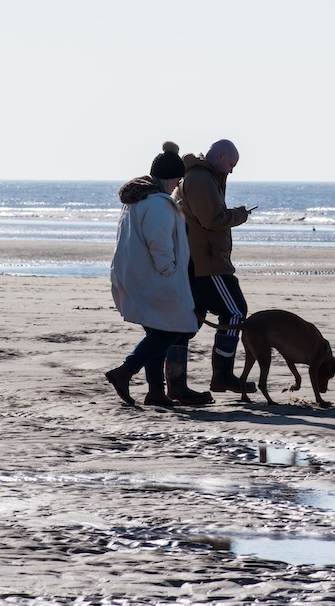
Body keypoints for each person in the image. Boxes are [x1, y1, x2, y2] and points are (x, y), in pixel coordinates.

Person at [105, 141, 210, 408]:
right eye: (177, 179)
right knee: (172, 328)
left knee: (157, 330)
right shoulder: (159, 204)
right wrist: (170, 270)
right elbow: (159, 242)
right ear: (170, 177)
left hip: (133, 274)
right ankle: (125, 372)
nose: (178, 185)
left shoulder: (136, 202)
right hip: (155, 276)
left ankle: (155, 392)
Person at [167, 139, 257, 395]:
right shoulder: (201, 179)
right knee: (235, 311)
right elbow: (212, 219)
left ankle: (176, 385)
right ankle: (222, 375)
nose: (231, 170)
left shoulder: (200, 177)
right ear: (218, 156)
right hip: (208, 263)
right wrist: (239, 214)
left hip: (199, 260)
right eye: (231, 164)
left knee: (186, 324)